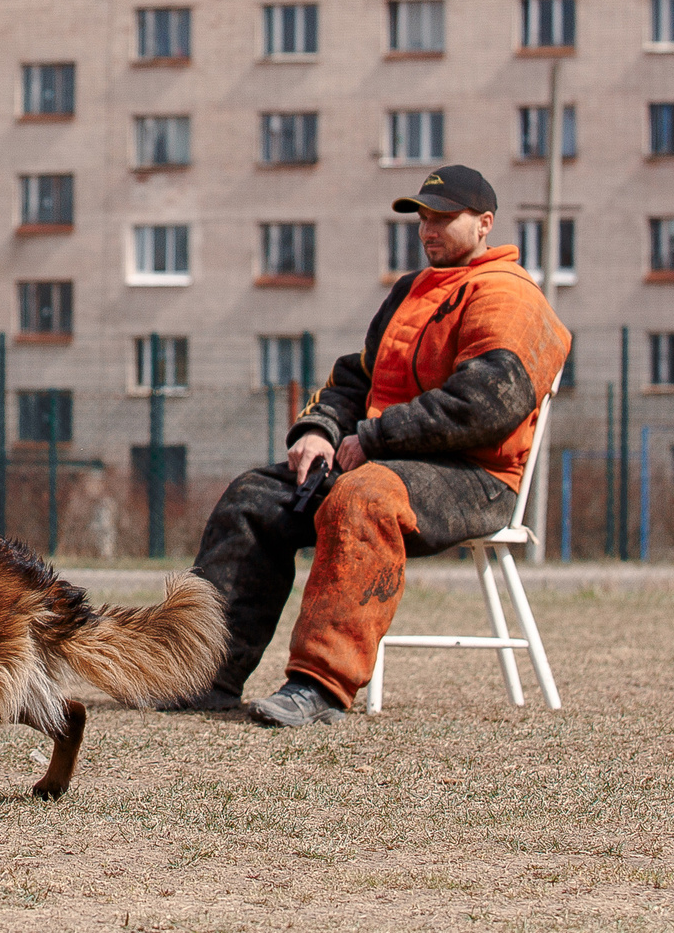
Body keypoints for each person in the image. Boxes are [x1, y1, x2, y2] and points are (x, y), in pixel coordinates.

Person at [168, 164, 570, 726]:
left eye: (443, 219)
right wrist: (320, 430)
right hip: (385, 461)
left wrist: (374, 438)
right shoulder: (413, 291)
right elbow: (357, 379)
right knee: (254, 497)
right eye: (423, 219)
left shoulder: (510, 298)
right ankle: (200, 676)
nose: (428, 230)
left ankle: (319, 687)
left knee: (361, 497)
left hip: (476, 477)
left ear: (484, 224)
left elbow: (485, 407)